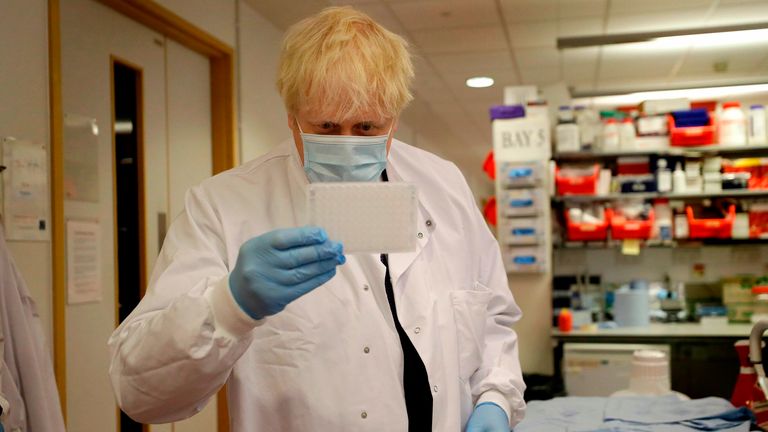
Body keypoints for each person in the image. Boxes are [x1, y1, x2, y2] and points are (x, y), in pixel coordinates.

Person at [109, 6, 525, 431]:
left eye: (366, 128)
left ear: (394, 120)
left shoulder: (444, 185)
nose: (346, 144)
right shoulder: (223, 206)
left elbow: (491, 317)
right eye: (325, 126)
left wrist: (495, 397)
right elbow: (140, 395)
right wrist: (228, 305)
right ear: (291, 116)